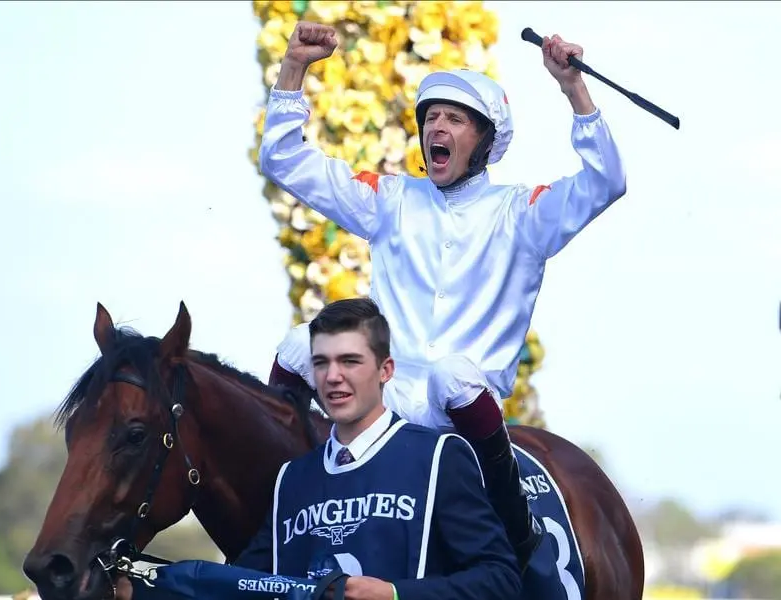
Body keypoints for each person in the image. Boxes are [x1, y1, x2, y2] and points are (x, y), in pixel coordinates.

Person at [261, 21, 627, 569]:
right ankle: (276, 503)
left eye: (455, 119)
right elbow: (284, 161)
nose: (438, 126)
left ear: (484, 140)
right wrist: (293, 69)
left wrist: (573, 89)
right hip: (384, 388)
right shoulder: (388, 198)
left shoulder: (522, 213)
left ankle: (515, 527)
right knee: (299, 344)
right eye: (431, 117)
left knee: (450, 373)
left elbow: (607, 182)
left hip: (459, 403)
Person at [118, 298, 523, 600]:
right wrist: (144, 590)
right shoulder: (292, 480)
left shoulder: (438, 457)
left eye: (350, 361)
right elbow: (240, 585)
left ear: (385, 371)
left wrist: (396, 595)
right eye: (321, 363)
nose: (333, 377)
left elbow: (501, 580)